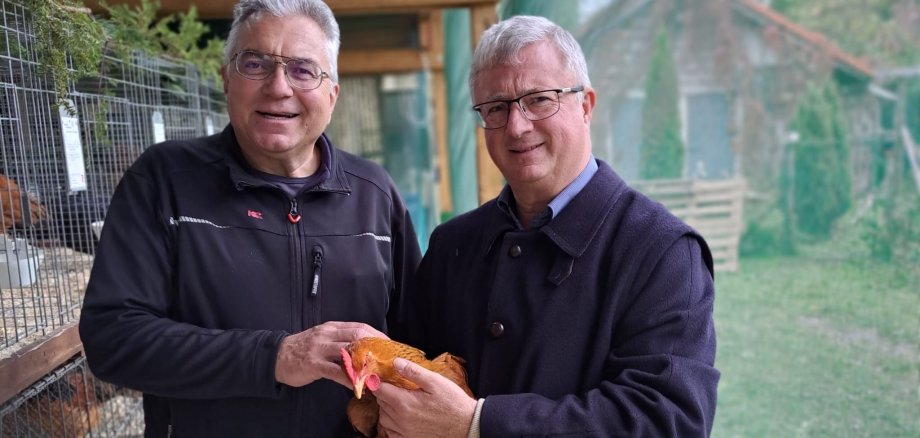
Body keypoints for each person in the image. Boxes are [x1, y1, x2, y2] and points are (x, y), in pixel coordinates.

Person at [78, 0, 421, 436]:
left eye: (302, 69)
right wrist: (274, 357)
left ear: (332, 93)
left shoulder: (375, 194)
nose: (279, 87)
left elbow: (416, 342)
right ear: (226, 79)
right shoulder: (165, 181)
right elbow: (113, 339)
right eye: (255, 63)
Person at [375, 15, 720, 437]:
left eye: (539, 99)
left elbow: (667, 420)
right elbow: (411, 371)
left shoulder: (661, 250)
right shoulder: (453, 245)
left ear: (586, 105)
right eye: (496, 108)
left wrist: (478, 424)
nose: (517, 126)